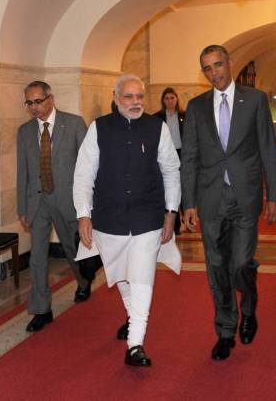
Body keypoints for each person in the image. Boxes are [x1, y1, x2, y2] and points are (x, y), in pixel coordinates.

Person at [181, 45, 276, 361]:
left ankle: (248, 304)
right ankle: (226, 330)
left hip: (246, 196)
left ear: (230, 63)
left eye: (218, 65)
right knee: (216, 268)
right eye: (207, 69)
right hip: (211, 199)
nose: (214, 73)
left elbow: (268, 148)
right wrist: (189, 203)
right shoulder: (196, 107)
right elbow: (191, 158)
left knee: (239, 263)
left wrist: (274, 195)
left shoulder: (254, 100)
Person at [73, 74, 181, 367]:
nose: (136, 103)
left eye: (140, 97)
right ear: (116, 98)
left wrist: (171, 211)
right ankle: (135, 322)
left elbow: (172, 170)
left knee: (142, 275)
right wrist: (84, 213)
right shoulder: (99, 128)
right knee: (121, 274)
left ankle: (135, 344)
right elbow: (84, 174)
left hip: (148, 215)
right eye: (129, 97)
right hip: (109, 218)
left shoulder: (157, 127)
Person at [17, 81, 91, 333]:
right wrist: (22, 207)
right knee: (38, 256)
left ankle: (83, 281)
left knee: (72, 249)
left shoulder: (74, 123)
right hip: (38, 202)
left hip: (68, 199)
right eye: (29, 103)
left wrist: (87, 205)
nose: (34, 107)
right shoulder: (25, 131)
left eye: (38, 101)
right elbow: (22, 172)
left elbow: (88, 165)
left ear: (51, 98)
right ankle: (41, 309)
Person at [154, 87, 185, 234]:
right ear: (163, 101)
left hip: (182, 154)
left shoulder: (185, 116)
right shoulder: (157, 118)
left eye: (172, 98)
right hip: (165, 156)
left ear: (177, 99)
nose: (170, 101)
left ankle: (186, 215)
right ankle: (175, 223)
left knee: (182, 187)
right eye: (166, 98)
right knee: (170, 187)